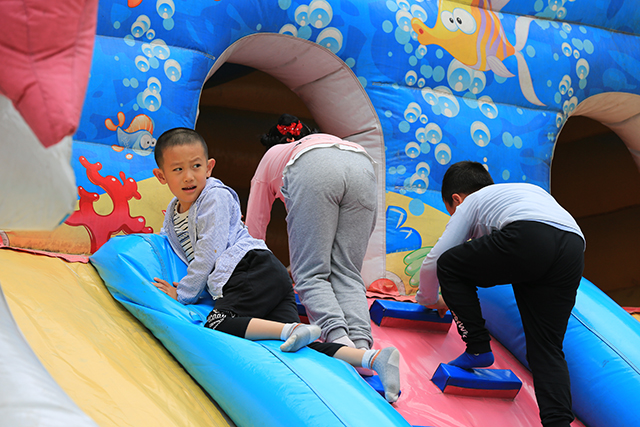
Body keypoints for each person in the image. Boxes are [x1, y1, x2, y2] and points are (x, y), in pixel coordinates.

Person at [151, 127, 400, 403]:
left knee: (218, 322)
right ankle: (371, 358)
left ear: (209, 167)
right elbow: (170, 242)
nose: (188, 176)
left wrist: (184, 292)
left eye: (196, 166)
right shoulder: (174, 212)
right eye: (178, 170)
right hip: (356, 173)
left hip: (250, 269)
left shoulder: (215, 195)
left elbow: (215, 247)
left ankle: (299, 330)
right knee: (299, 344)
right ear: (161, 176)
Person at [417, 161, 585, 427]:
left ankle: (477, 347)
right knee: (546, 346)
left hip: (530, 235)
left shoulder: (471, 203)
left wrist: (429, 300)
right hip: (573, 245)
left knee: (449, 264)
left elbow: (436, 261)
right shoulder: (519, 194)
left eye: (451, 212)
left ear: (456, 200)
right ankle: (558, 423)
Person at [245, 114, 377, 351]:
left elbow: (254, 230)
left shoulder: (274, 155)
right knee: (348, 272)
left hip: (314, 168)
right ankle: (361, 345)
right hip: (363, 164)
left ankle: (337, 338)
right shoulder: (326, 141)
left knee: (309, 274)